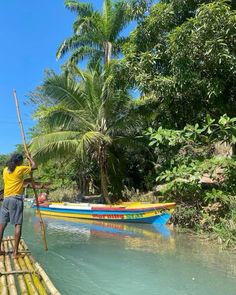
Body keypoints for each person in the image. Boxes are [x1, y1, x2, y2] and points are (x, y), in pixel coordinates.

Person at [0, 153, 37, 258]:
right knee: (18, 225)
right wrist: (29, 157)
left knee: (2, 225)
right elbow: (34, 166)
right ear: (19, 161)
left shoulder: (5, 170)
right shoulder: (20, 169)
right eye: (21, 161)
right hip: (15, 199)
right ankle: (15, 253)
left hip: (6, 199)